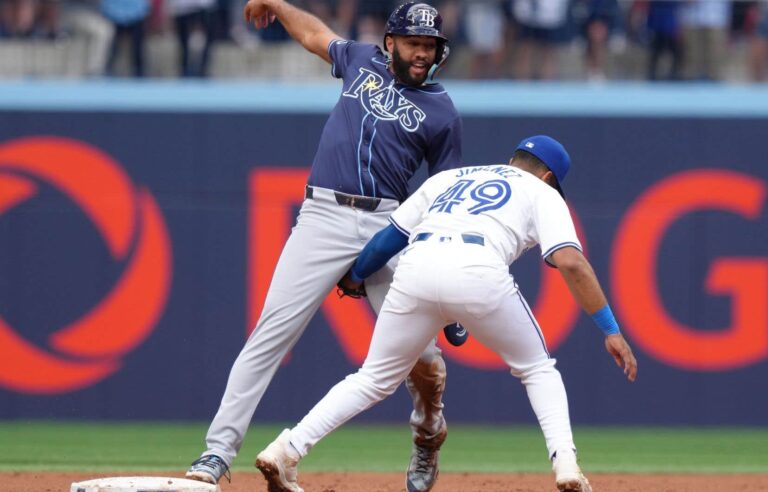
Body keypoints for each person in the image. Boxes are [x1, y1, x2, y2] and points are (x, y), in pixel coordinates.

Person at [254, 135, 638, 492]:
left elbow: (388, 240)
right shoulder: (542, 191)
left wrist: (354, 277)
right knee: (537, 369)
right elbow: (570, 261)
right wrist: (610, 329)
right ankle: (567, 465)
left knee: (371, 379)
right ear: (549, 176)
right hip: (478, 268)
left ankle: (286, 448)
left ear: (511, 161)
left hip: (416, 266)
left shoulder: (450, 178)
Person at [185, 2, 464, 491]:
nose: (423, 54)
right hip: (323, 215)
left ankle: (427, 435)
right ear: (391, 42)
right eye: (415, 43)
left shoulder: (441, 111)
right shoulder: (361, 61)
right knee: (270, 334)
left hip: (389, 224)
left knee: (422, 357)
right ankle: (216, 454)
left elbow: (444, 200)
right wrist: (275, 3)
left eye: (430, 46)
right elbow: (315, 34)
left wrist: (449, 278)